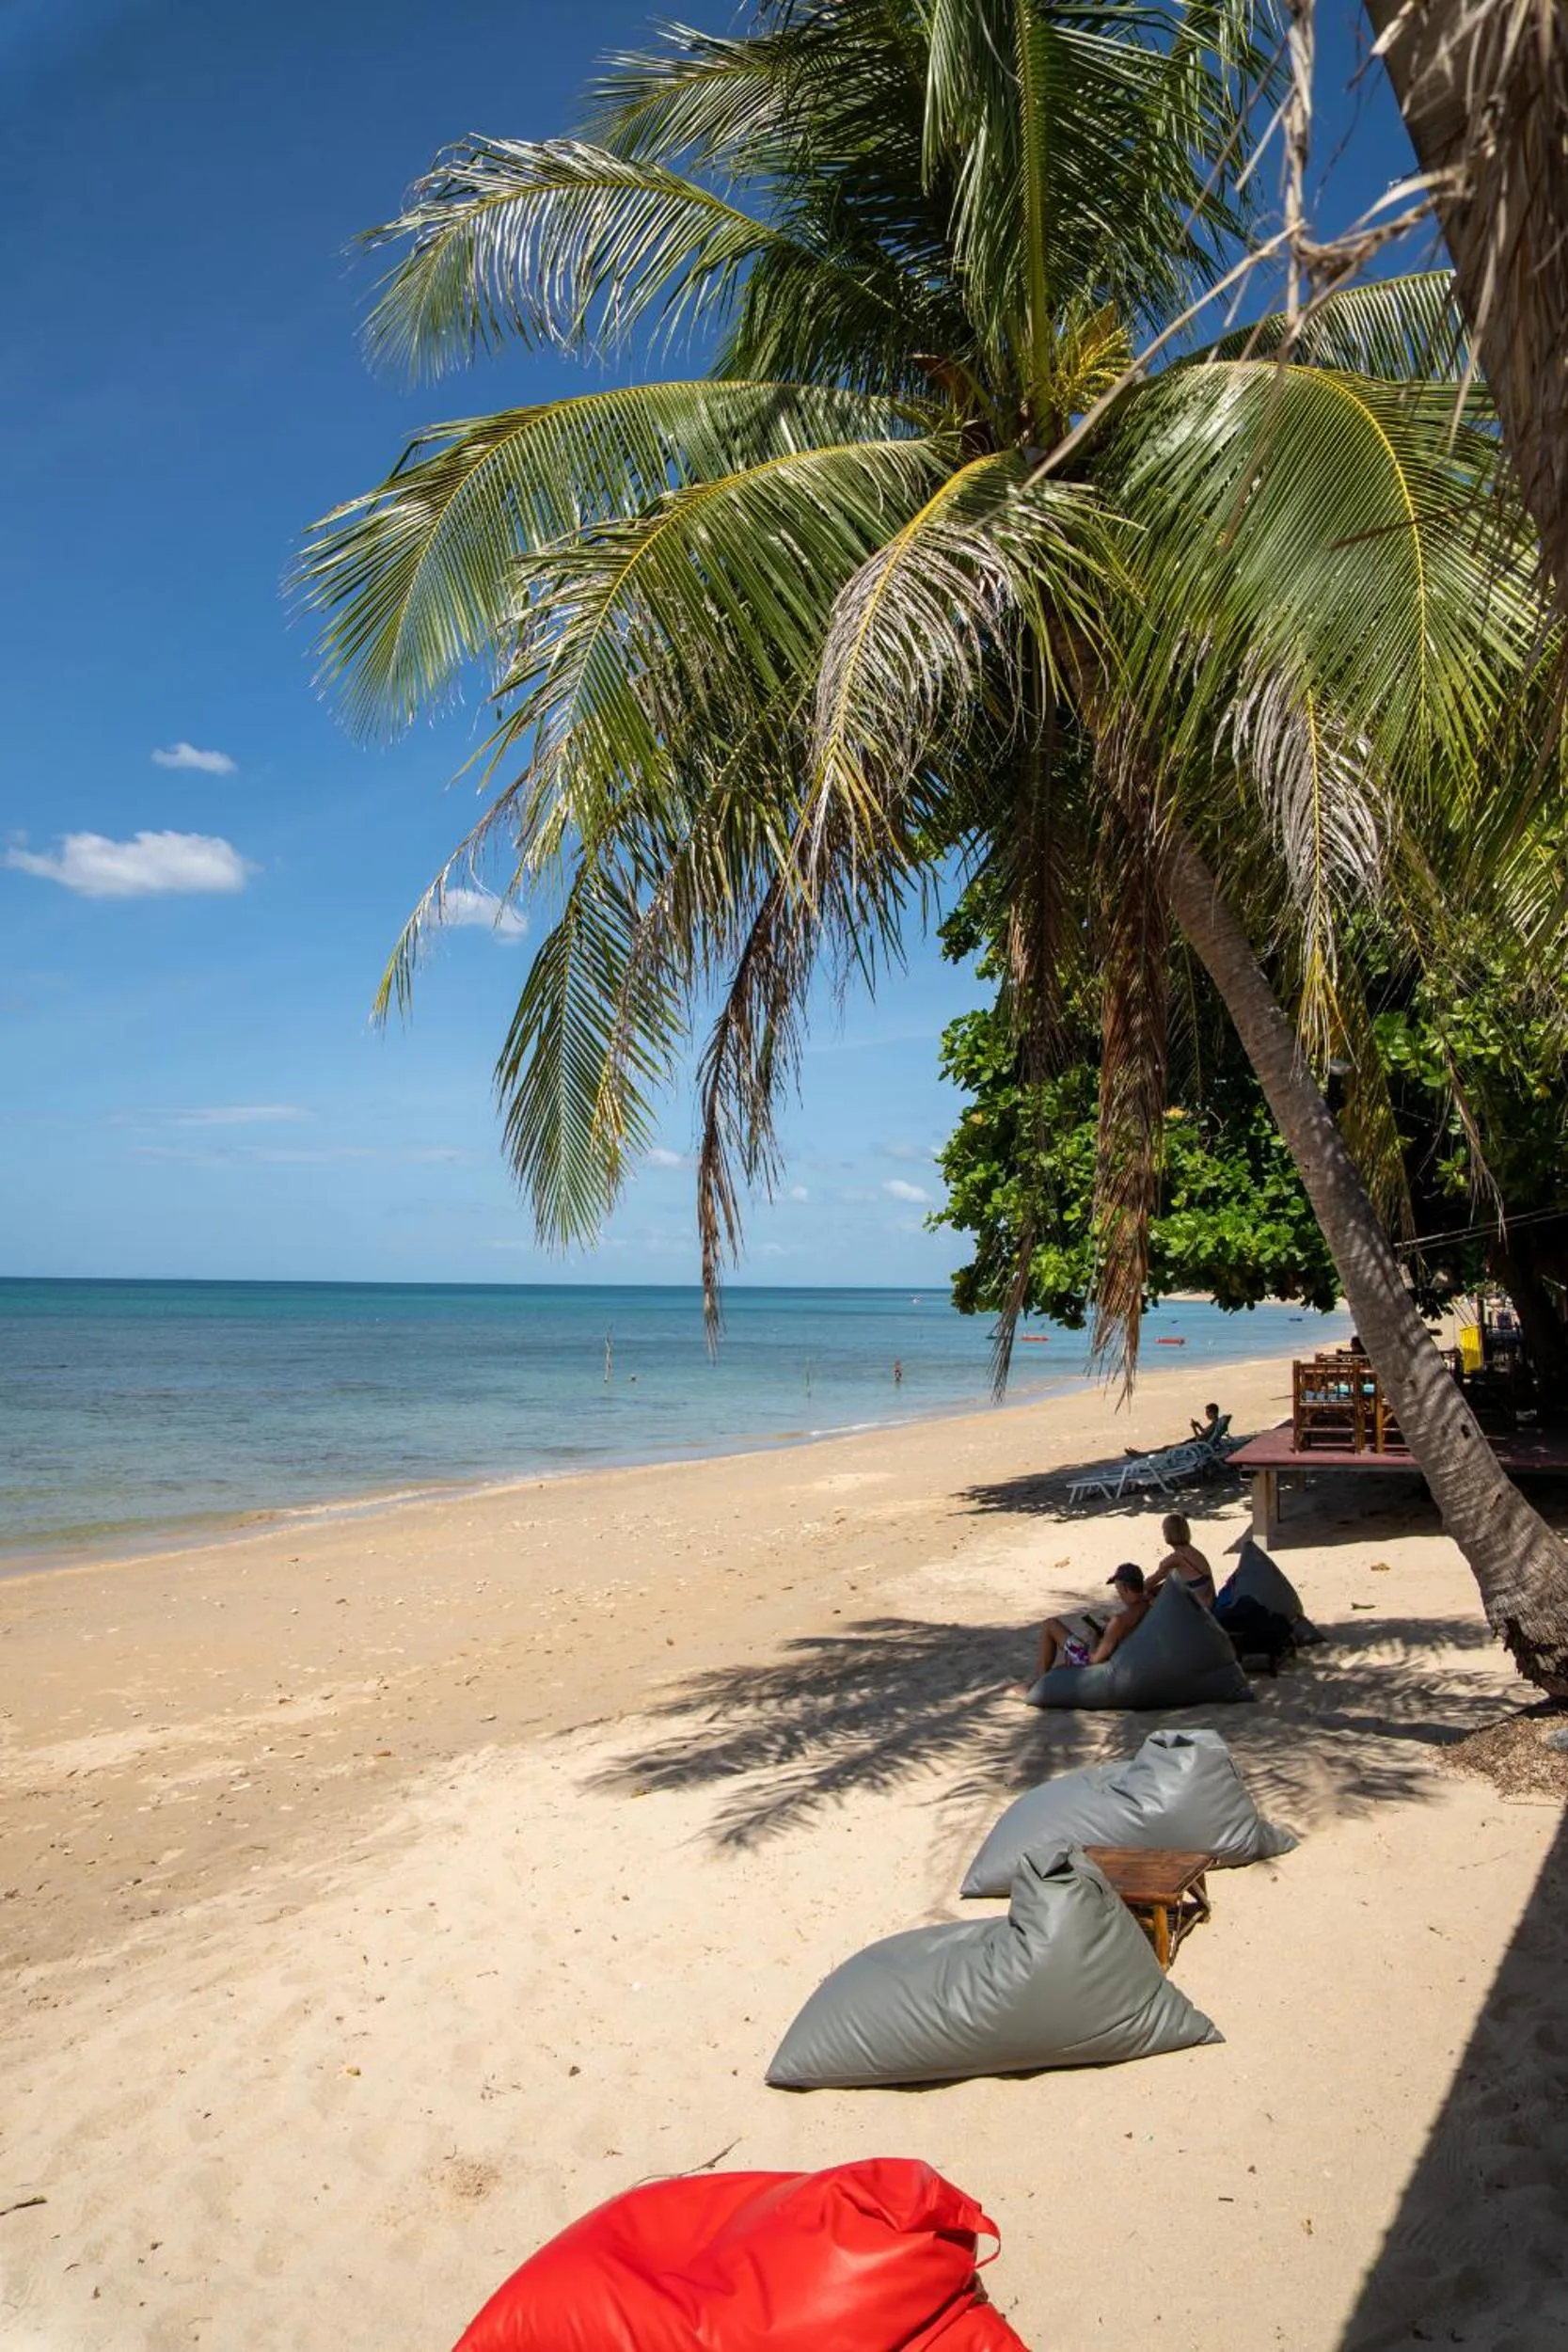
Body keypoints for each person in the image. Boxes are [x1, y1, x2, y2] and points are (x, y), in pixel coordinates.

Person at [1027, 1564, 1150, 1685]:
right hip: (1126, 1657)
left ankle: (1041, 1683)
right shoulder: (1148, 1607)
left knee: (1050, 1624)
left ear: (1125, 1589)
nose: (1119, 1595)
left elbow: (1095, 1660)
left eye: (1118, 1591)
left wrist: (1094, 1638)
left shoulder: (1120, 1621)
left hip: (1095, 1663)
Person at [1147, 1513, 1216, 1610]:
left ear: (1168, 1533)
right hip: (1210, 1606)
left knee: (1144, 1598)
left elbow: (1148, 1584)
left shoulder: (1174, 1559)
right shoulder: (1197, 1554)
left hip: (1197, 1612)